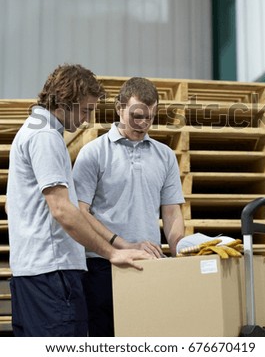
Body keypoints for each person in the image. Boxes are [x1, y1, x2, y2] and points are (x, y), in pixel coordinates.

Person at [6, 64, 151, 337]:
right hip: (53, 274)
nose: (87, 119)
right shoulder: (45, 136)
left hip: (31, 274)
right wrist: (113, 253)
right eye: (85, 110)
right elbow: (62, 210)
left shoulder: (31, 131)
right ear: (65, 101)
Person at [72, 76, 185, 336]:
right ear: (119, 108)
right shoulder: (94, 153)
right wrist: (122, 244)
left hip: (150, 264)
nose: (143, 124)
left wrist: (182, 252)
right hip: (102, 266)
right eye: (136, 116)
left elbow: (171, 213)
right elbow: (80, 211)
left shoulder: (165, 155)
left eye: (150, 117)